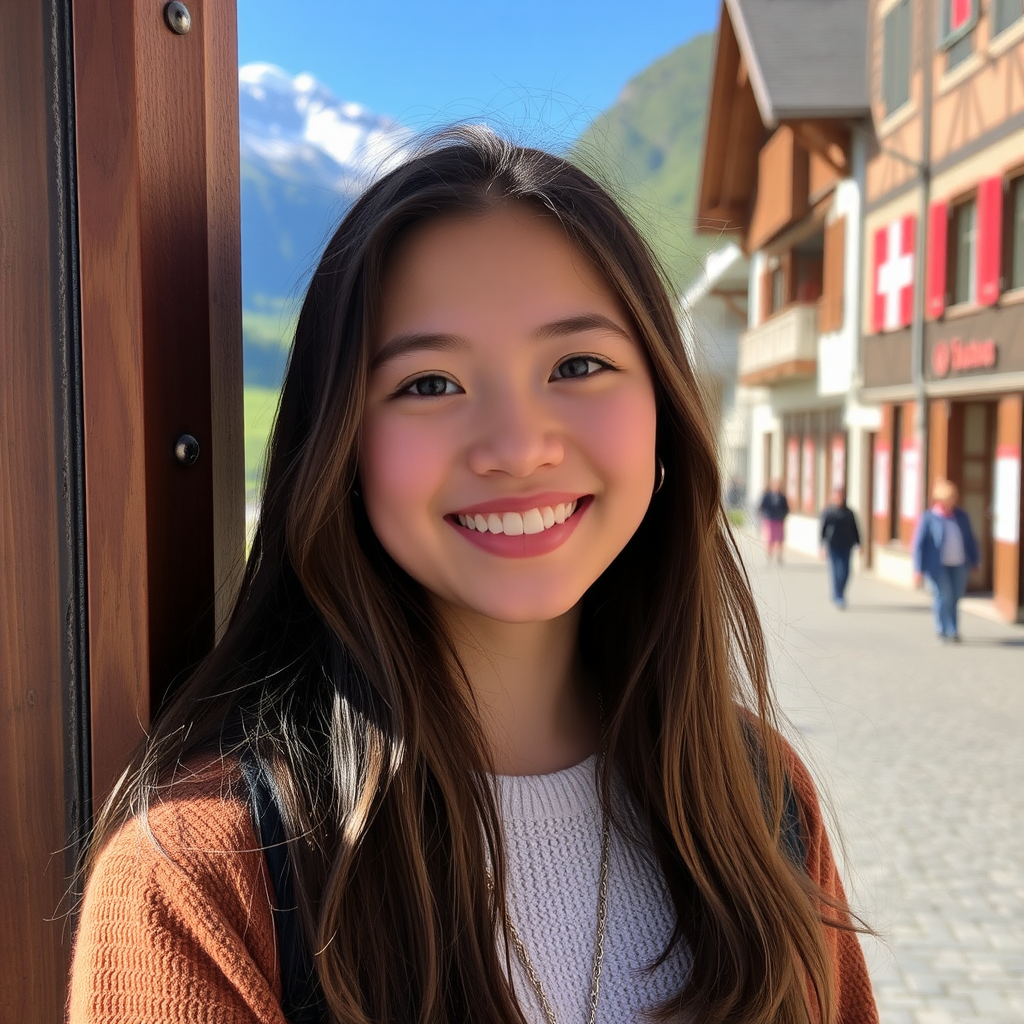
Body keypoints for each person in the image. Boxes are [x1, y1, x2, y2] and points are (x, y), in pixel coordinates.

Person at [69, 129, 877, 1024]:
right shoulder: (200, 886)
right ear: (340, 444)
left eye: (578, 365)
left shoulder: (760, 800)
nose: (518, 446)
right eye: (429, 383)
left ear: (664, 407)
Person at [912, 479, 980, 642]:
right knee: (944, 595)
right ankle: (944, 629)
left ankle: (953, 628)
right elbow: (919, 544)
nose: (952, 501)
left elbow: (970, 539)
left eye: (953, 497)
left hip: (959, 564)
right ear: (940, 499)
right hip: (938, 565)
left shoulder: (961, 516)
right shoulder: (929, 517)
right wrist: (918, 569)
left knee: (956, 596)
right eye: (949, 498)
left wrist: (975, 560)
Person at [819, 487, 861, 609]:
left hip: (847, 545)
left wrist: (859, 543)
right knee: (837, 571)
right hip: (833, 545)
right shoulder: (829, 512)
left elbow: (855, 528)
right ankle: (838, 595)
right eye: (837, 496)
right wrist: (822, 546)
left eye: (841, 496)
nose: (840, 498)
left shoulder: (849, 513)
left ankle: (841, 592)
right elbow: (822, 530)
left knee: (847, 571)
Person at [758, 478, 790, 562]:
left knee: (780, 538)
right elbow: (761, 506)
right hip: (770, 519)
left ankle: (779, 555)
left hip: (779, 519)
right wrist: (765, 515)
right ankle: (769, 554)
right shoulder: (767, 496)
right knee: (770, 538)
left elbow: (786, 508)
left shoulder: (782, 497)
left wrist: (784, 515)